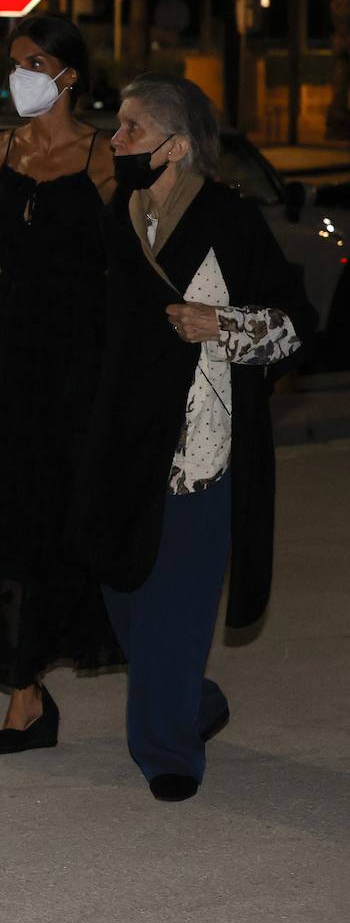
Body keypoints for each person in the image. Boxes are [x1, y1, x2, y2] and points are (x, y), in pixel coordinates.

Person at [77, 73, 315, 802]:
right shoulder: (118, 218)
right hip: (123, 442)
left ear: (177, 146)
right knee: (120, 594)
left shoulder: (231, 221)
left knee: (176, 609)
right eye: (117, 129)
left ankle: (169, 751)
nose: (116, 143)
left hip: (201, 450)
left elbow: (296, 325)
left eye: (133, 132)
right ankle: (191, 700)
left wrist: (223, 325)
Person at [0, 16, 123, 753]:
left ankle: (172, 682)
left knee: (82, 516)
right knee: (4, 512)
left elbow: (125, 267)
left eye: (36, 61)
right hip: (12, 359)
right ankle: (25, 699)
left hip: (79, 362)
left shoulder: (106, 156)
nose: (20, 73)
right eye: (14, 62)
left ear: (69, 76)